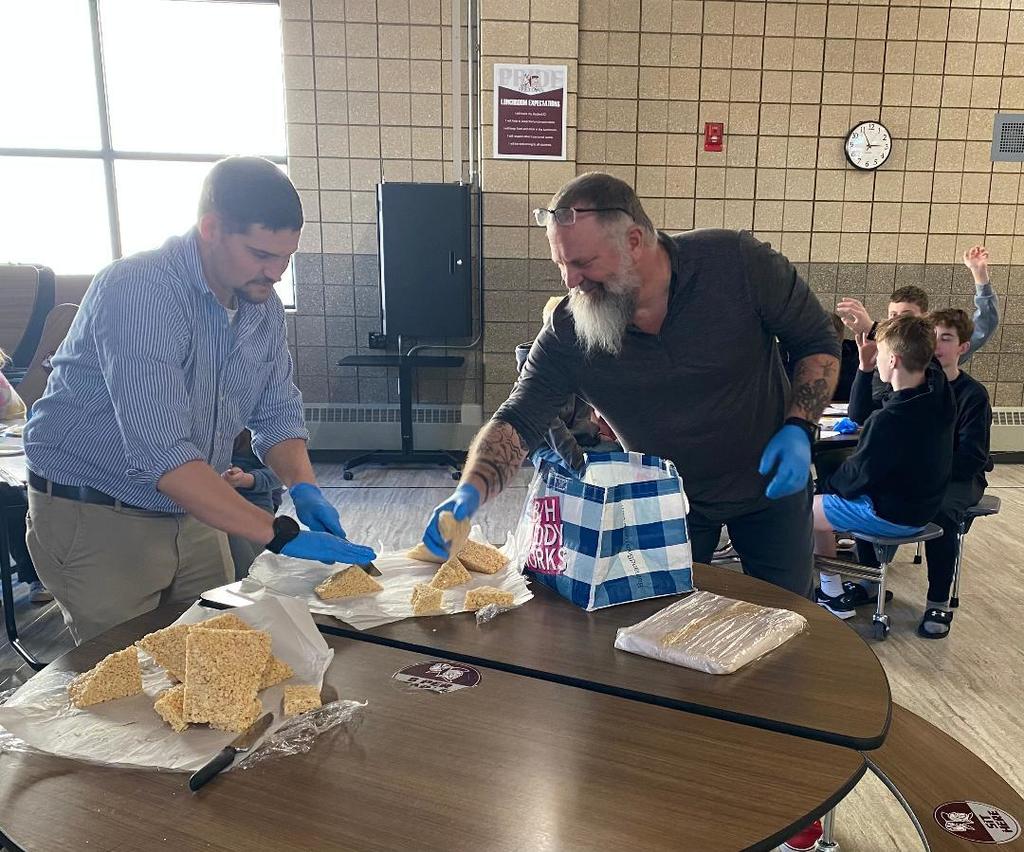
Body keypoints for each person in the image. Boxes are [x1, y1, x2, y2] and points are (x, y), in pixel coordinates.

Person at [419, 172, 841, 597]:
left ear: (635, 241)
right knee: (665, 622)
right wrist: (468, 495)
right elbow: (518, 418)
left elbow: (816, 340)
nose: (570, 281)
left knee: (790, 614)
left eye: (582, 263)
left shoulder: (736, 264)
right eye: (560, 264)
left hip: (770, 486)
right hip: (662, 502)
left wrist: (800, 426)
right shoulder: (572, 329)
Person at [23, 156, 375, 644]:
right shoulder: (140, 290)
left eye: (285, 257)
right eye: (259, 254)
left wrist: (305, 487)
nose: (274, 273)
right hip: (99, 515)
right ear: (210, 228)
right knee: (128, 675)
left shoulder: (260, 307)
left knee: (218, 650)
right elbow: (162, 453)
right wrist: (280, 534)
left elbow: (276, 413)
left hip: (195, 506)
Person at [812, 316, 955, 619]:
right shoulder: (939, 393)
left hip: (891, 515)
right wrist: (867, 356)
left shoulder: (888, 421)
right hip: (923, 509)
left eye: (879, 355)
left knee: (806, 508)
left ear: (894, 359)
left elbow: (855, 478)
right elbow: (861, 411)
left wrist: (824, 486)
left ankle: (830, 591)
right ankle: (842, 579)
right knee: (830, 487)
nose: (875, 360)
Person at [836, 245, 999, 367]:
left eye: (906, 315)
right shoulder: (877, 346)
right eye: (893, 315)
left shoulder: (939, 348)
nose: (898, 322)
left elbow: (984, 323)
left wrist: (980, 277)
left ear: (925, 318)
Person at [514, 296, 617, 472]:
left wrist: (598, 436)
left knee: (623, 461)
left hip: (581, 439)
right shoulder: (538, 374)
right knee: (580, 475)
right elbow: (553, 430)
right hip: (547, 445)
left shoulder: (581, 361)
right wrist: (579, 462)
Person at [222, 430, 285, 581]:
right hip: (215, 504)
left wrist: (245, 479)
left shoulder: (259, 432)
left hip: (254, 504)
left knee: (250, 567)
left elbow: (280, 474)